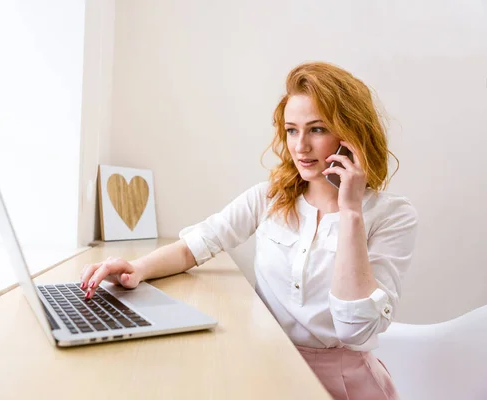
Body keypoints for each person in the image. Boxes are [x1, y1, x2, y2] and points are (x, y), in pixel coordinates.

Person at [79, 61, 418, 400]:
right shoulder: (269, 197)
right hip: (267, 367)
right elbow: (194, 247)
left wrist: (350, 213)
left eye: (317, 129)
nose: (300, 147)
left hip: (345, 384)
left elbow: (355, 330)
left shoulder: (391, 215)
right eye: (291, 130)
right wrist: (135, 269)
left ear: (351, 135)